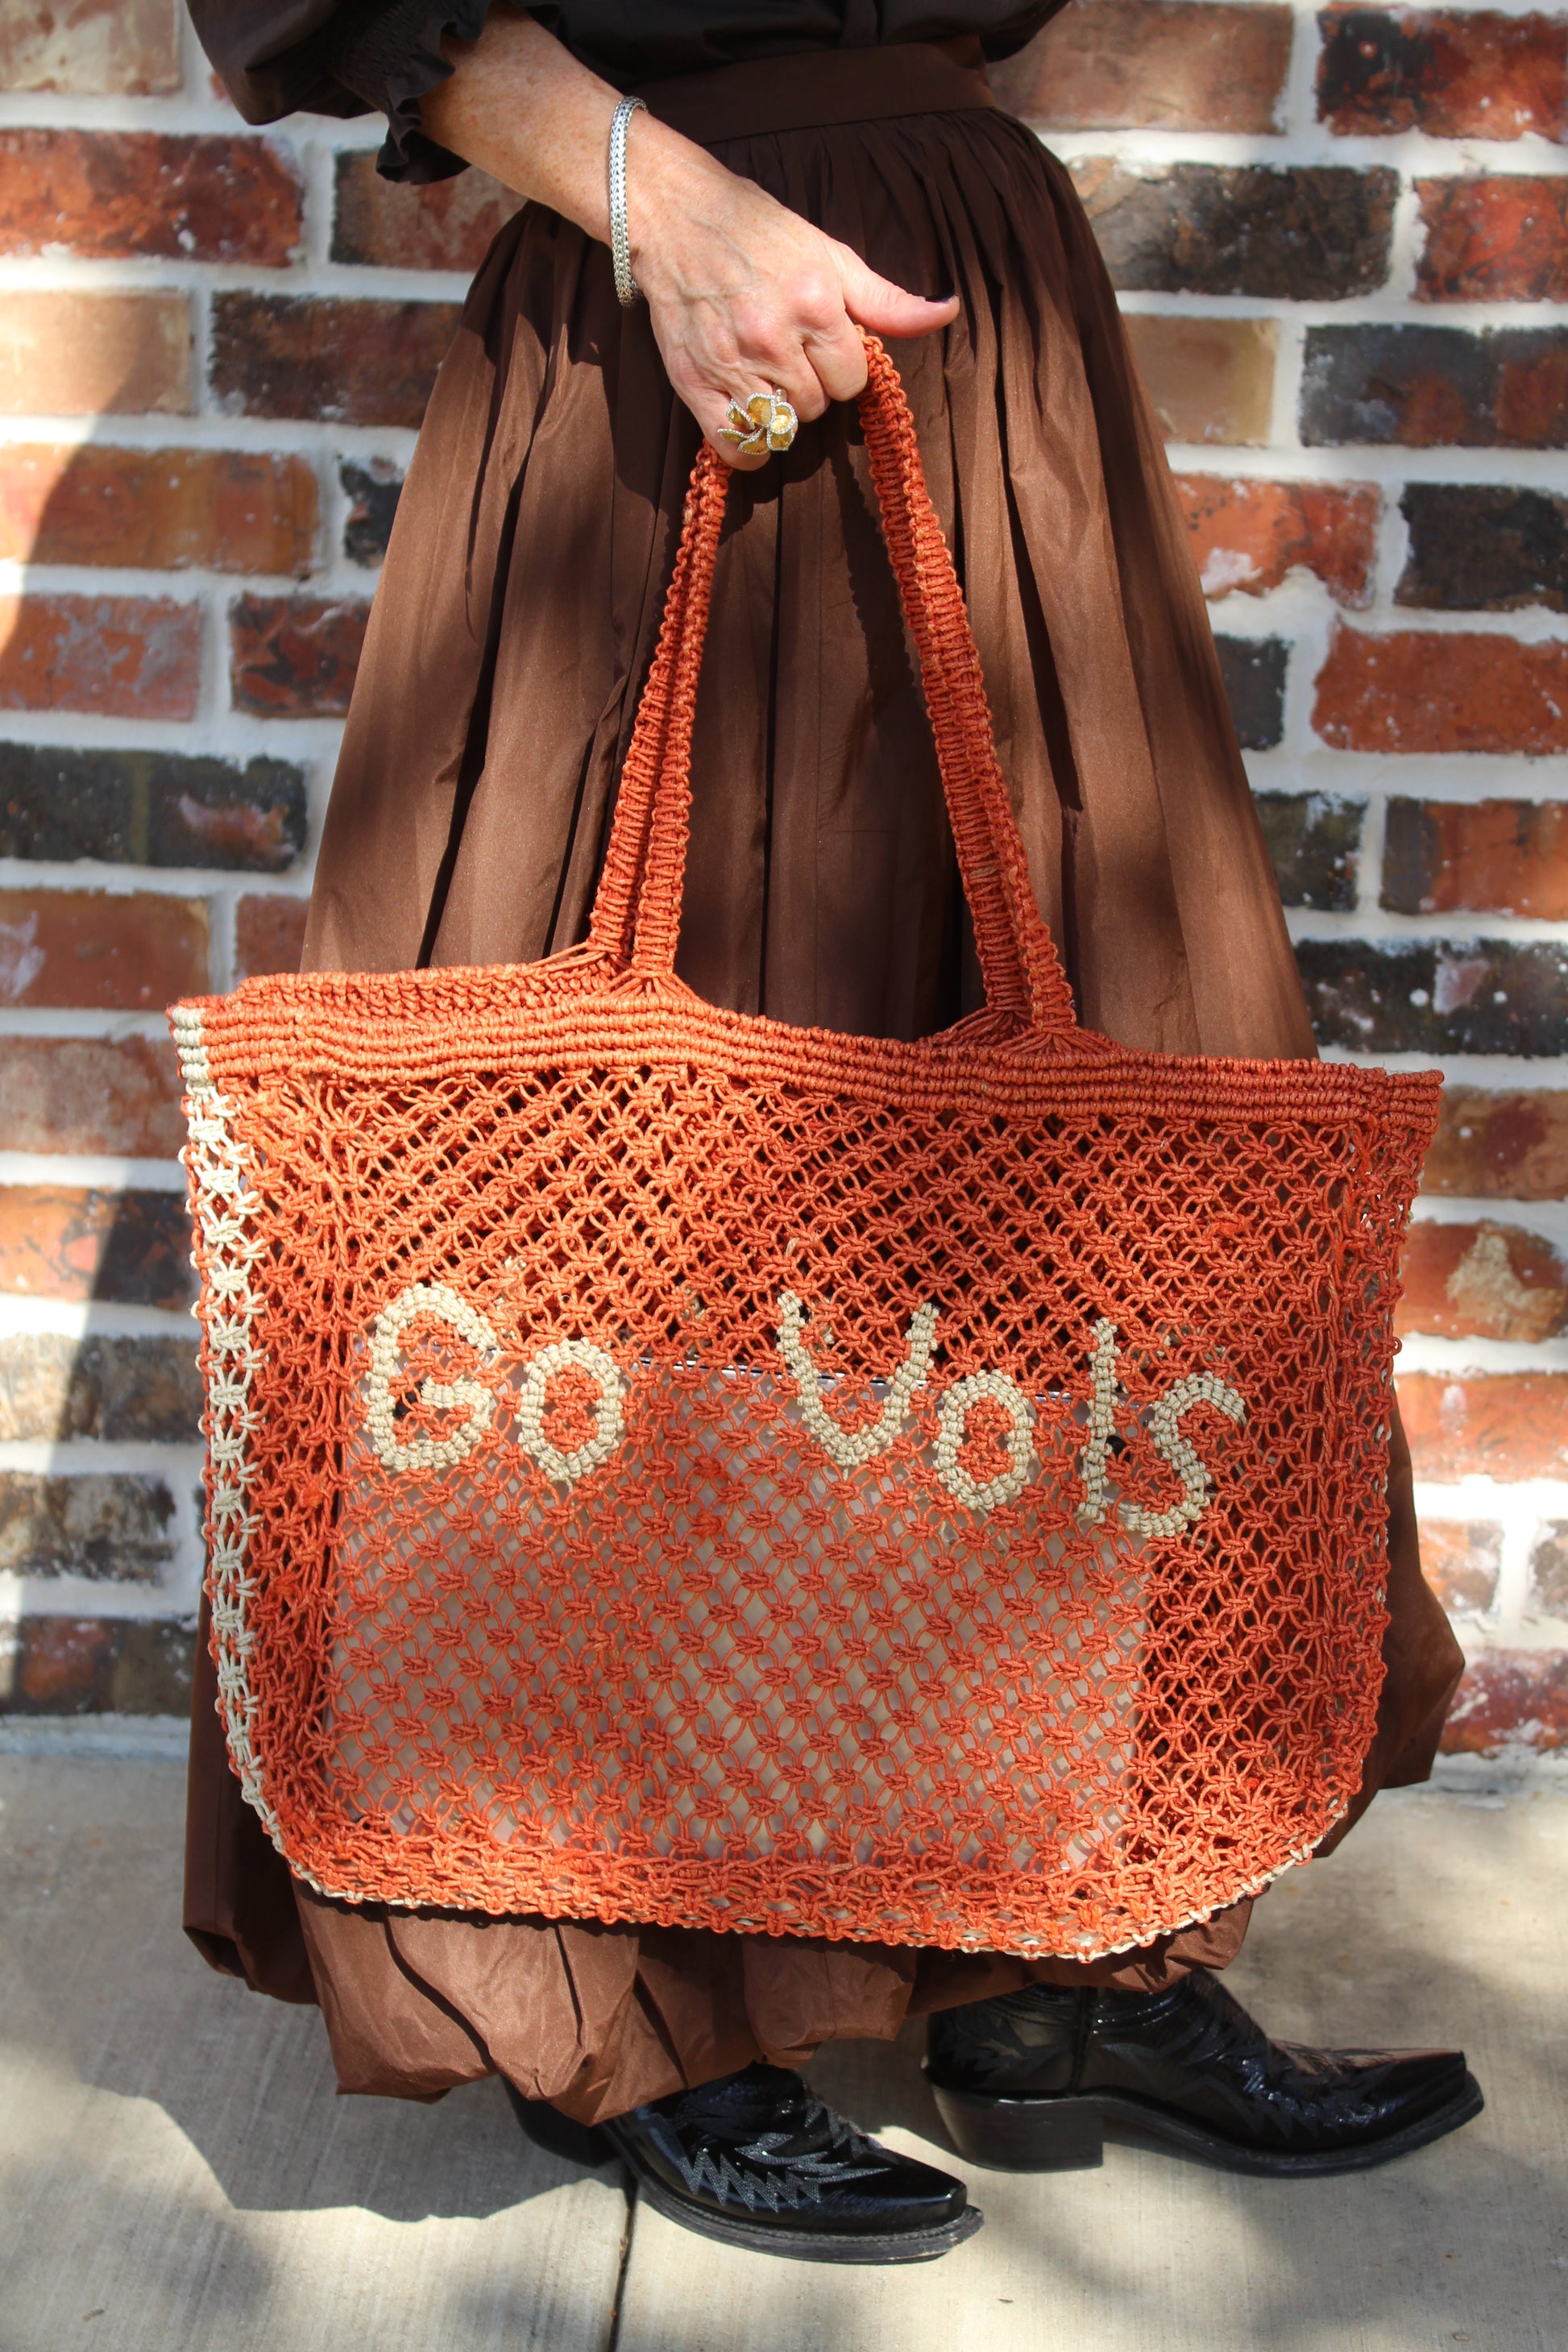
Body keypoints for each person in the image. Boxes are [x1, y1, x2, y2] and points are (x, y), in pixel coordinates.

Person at [183, 2, 1480, 2262]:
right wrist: (671, 211)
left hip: (980, 340)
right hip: (672, 311)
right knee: (625, 1203)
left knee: (1079, 1186)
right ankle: (639, 1997)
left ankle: (1063, 1953)